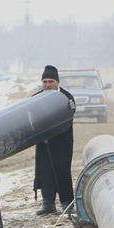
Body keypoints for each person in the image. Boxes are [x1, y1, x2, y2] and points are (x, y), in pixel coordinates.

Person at [32, 65, 76, 215]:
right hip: (44, 145)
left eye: (51, 81)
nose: (47, 85)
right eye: (45, 81)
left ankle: (67, 204)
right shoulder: (36, 98)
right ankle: (48, 204)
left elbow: (70, 113)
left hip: (62, 144)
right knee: (45, 174)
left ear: (57, 82)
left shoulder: (66, 97)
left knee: (63, 173)